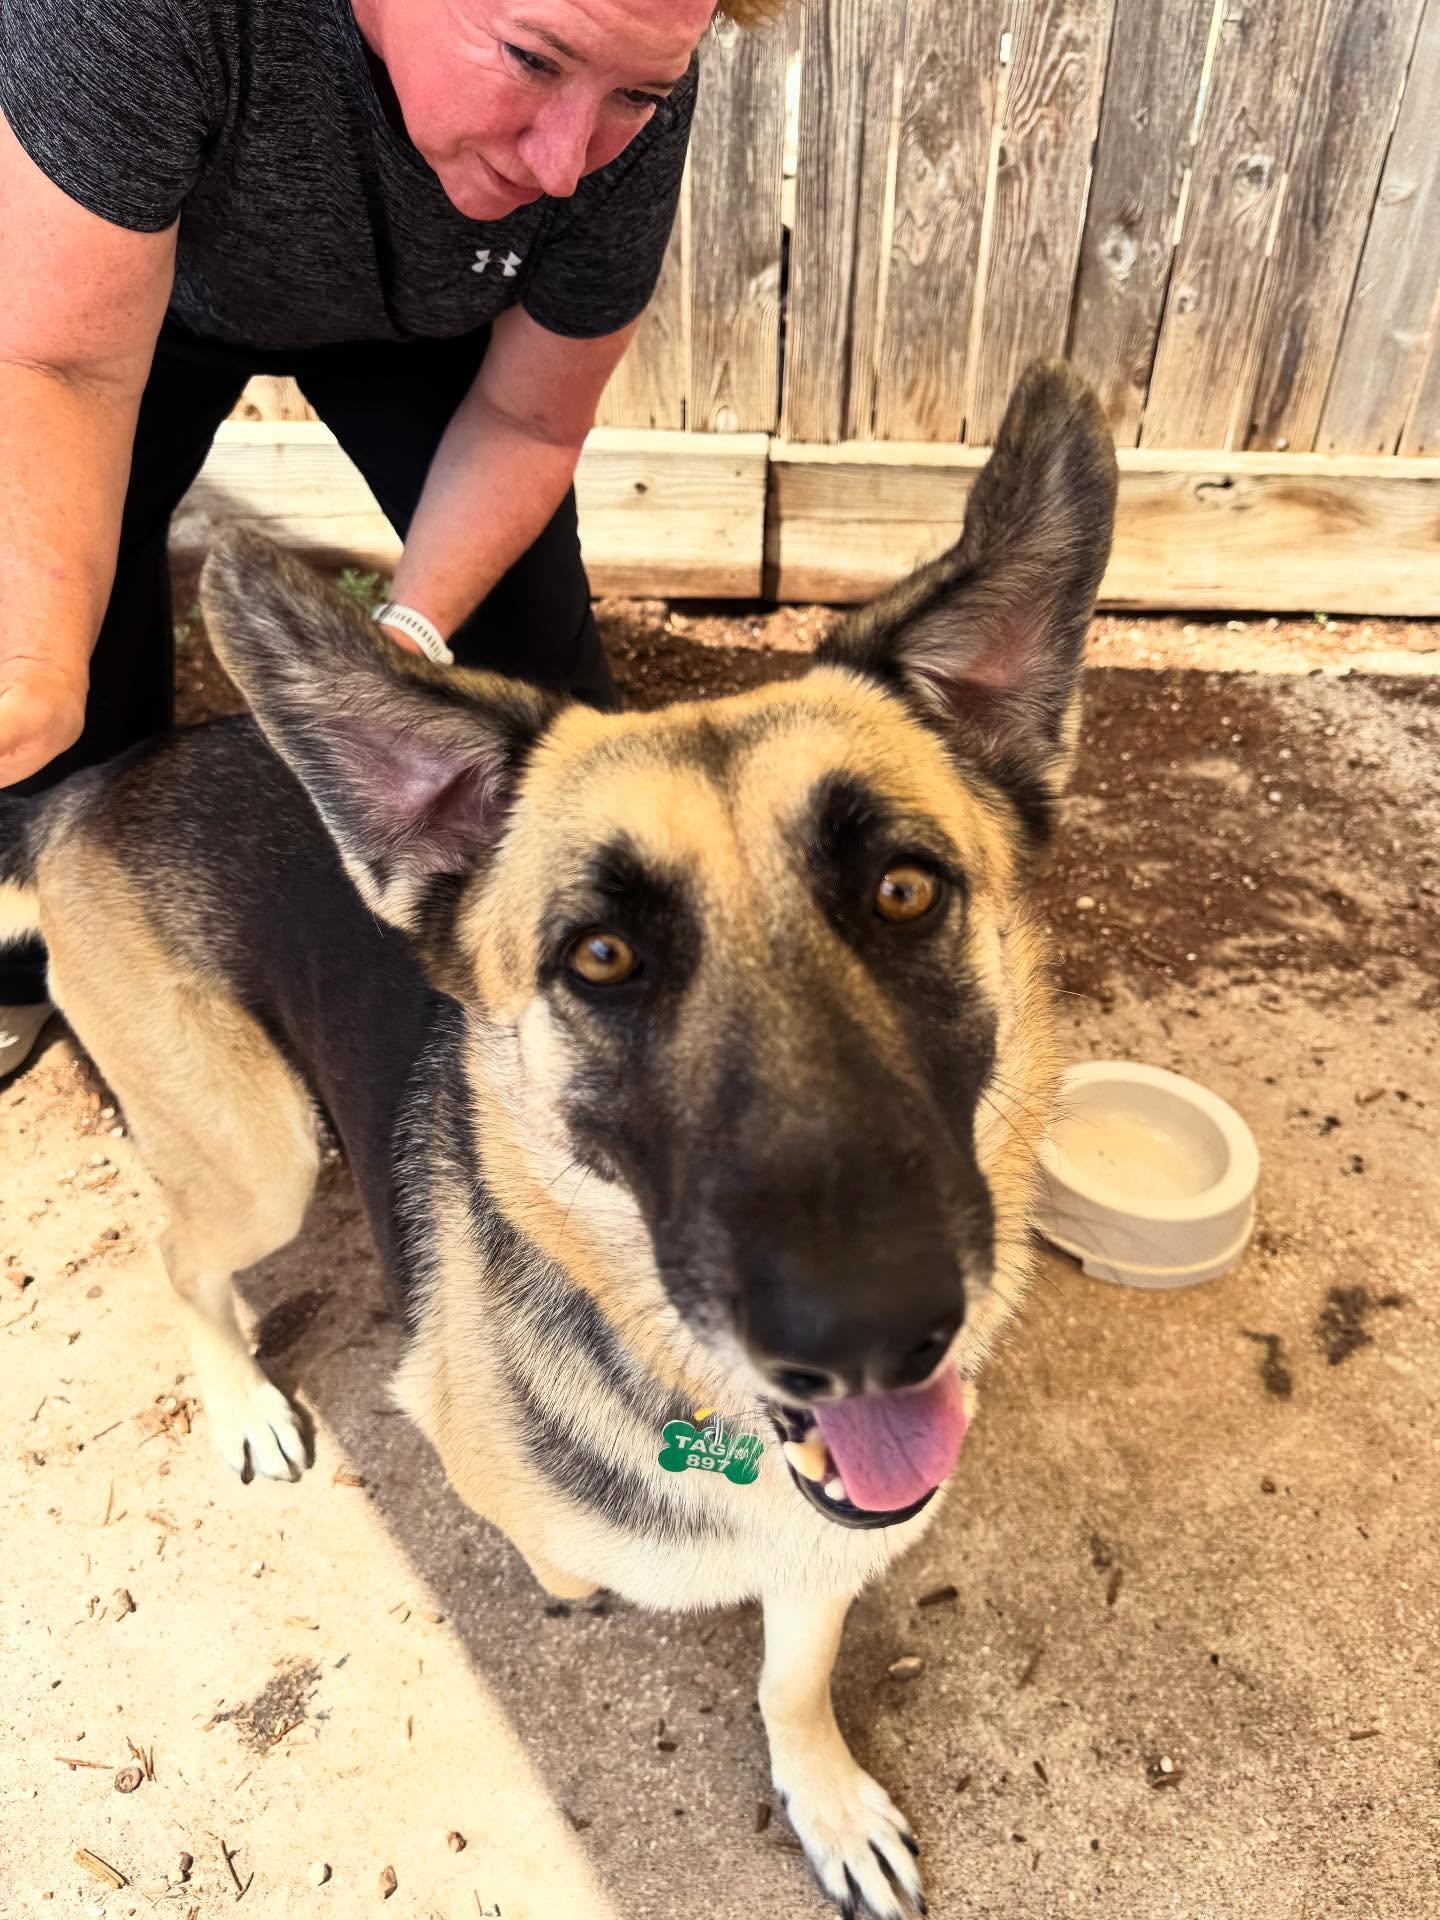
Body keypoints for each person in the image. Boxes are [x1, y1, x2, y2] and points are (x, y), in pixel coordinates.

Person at [0, 0, 779, 1078]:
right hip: (137, 291)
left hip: (425, 316)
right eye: (530, 57)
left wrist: (407, 644)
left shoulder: (626, 71)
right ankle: (34, 964)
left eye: (632, 96)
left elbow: (531, 419)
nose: (566, 168)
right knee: (55, 669)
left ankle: (585, 987)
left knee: (531, 656)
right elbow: (58, 366)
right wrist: (39, 659)